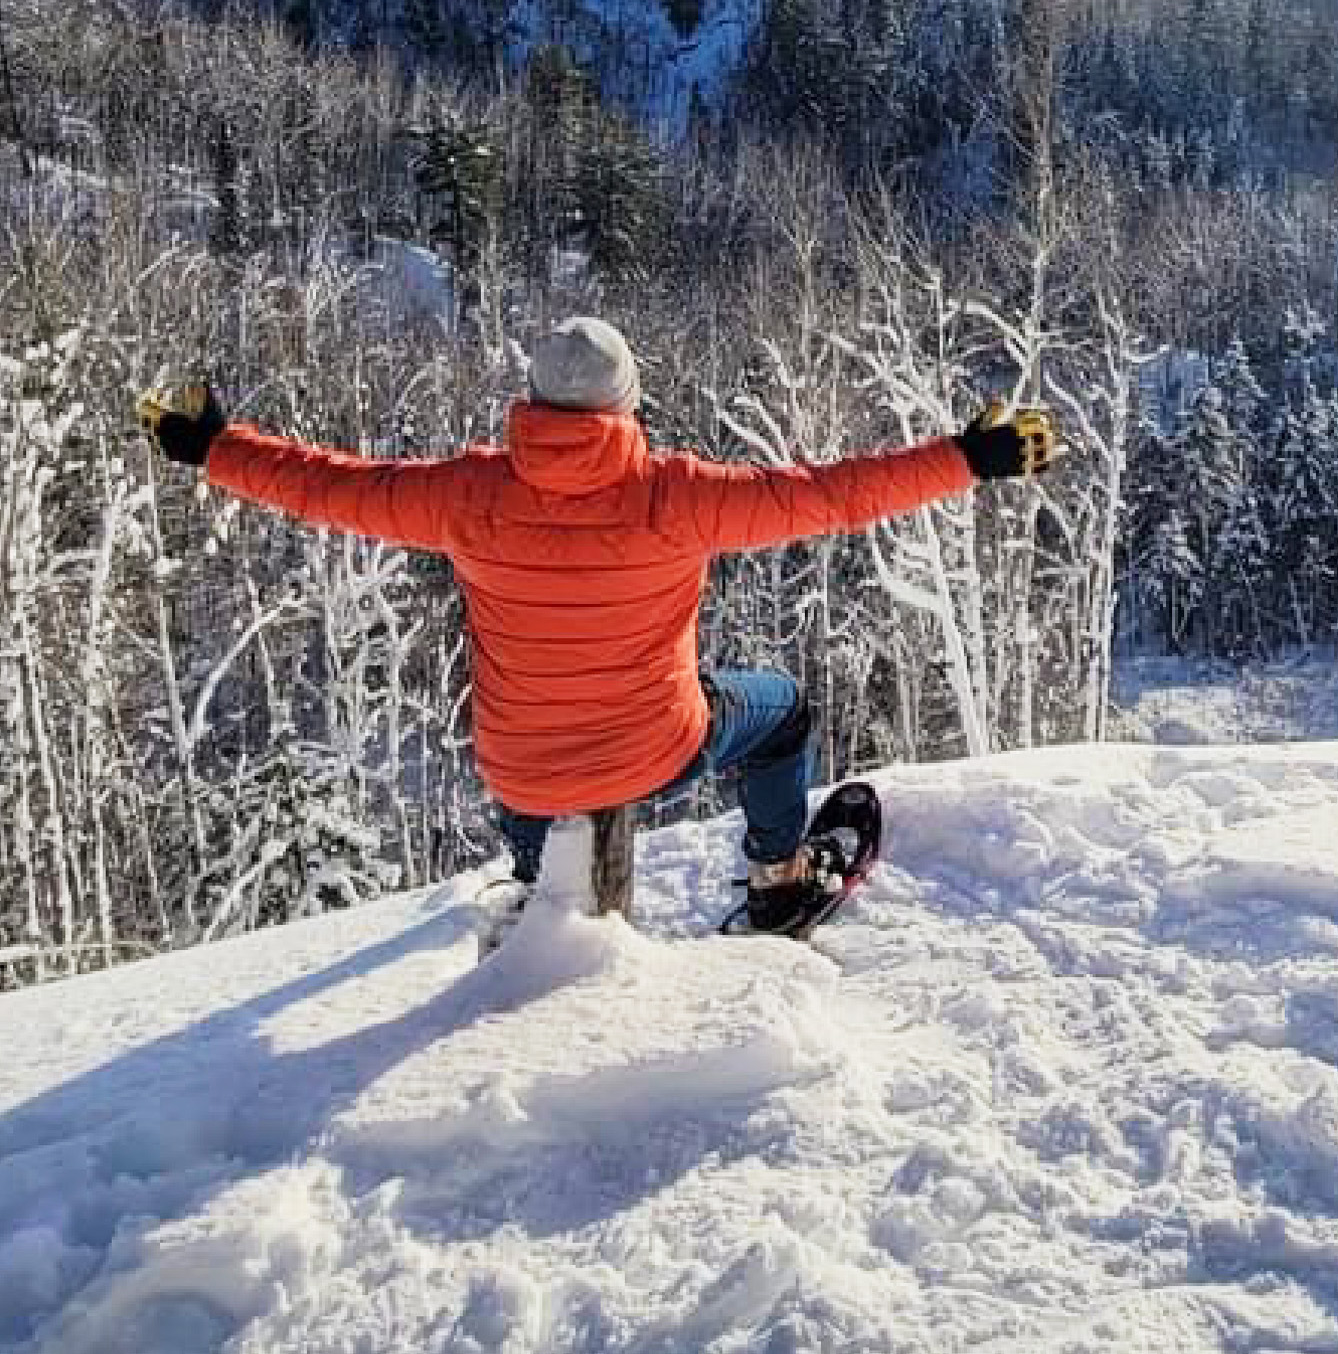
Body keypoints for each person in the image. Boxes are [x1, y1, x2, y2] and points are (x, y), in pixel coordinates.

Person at [139, 317, 1058, 931]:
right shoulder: (677, 496)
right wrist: (967, 457)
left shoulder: (467, 495)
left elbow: (327, 486)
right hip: (660, 745)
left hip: (522, 769)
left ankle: (547, 910)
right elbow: (831, 495)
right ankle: (778, 878)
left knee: (553, 874)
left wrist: (213, 447)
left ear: (533, 404)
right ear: (627, 406)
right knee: (782, 713)